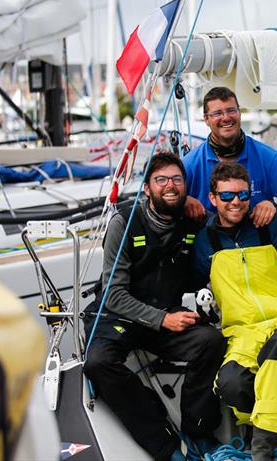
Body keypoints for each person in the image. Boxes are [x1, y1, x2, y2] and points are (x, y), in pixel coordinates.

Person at [83, 153, 226, 461]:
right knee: (97, 362)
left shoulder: (193, 221)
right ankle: (164, 445)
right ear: (147, 188)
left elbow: (230, 216)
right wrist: (163, 319)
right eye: (161, 180)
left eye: (177, 180)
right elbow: (113, 294)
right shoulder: (123, 222)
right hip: (120, 316)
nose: (170, 186)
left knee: (210, 342)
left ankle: (198, 430)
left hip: (165, 315)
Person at [192, 162, 277, 461]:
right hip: (242, 333)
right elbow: (190, 284)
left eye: (242, 194)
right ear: (212, 199)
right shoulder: (204, 241)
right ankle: (264, 423)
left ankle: (260, 448)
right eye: (226, 196)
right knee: (231, 384)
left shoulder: (274, 225)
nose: (235, 201)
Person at [181, 86, 277, 227]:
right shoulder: (190, 164)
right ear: (206, 119)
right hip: (208, 245)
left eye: (231, 110)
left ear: (239, 113)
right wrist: (182, 201)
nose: (226, 118)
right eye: (217, 113)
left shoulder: (268, 158)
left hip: (257, 243)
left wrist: (270, 207)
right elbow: (157, 203)